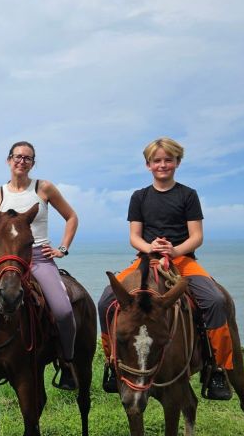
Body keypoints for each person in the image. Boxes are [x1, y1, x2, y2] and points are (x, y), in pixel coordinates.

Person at [98, 137, 233, 400]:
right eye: (157, 160)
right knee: (105, 301)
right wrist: (150, 247)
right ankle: (112, 362)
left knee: (215, 300)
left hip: (182, 260)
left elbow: (197, 236)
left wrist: (175, 250)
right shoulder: (139, 197)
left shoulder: (188, 195)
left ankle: (217, 367)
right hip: (146, 260)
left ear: (177, 162)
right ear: (148, 165)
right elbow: (134, 237)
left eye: (168, 160)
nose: (162, 165)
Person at [0, 141, 80, 387]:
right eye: (18, 156)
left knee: (63, 311)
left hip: (38, 258)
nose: (22, 161)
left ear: (33, 163)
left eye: (27, 158)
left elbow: (71, 217)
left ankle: (67, 362)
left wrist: (62, 249)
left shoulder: (44, 188)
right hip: (5, 261)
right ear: (9, 160)